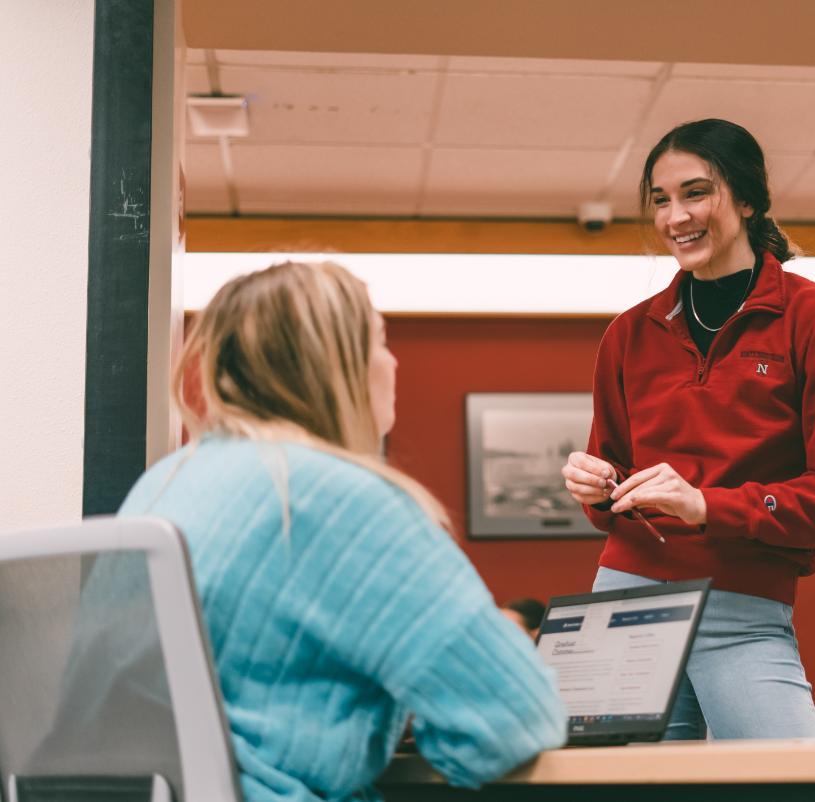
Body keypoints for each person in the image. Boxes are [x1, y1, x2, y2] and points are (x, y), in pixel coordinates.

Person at [117, 261, 566, 800]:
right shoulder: (339, 498)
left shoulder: (164, 483)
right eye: (381, 340)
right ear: (338, 365)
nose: (394, 361)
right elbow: (516, 718)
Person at [561, 119, 815, 740]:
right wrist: (599, 487)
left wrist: (707, 506)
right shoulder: (628, 333)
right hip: (625, 604)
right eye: (661, 199)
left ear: (749, 199)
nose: (675, 216)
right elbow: (616, 498)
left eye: (696, 193)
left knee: (797, 791)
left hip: (742, 607)